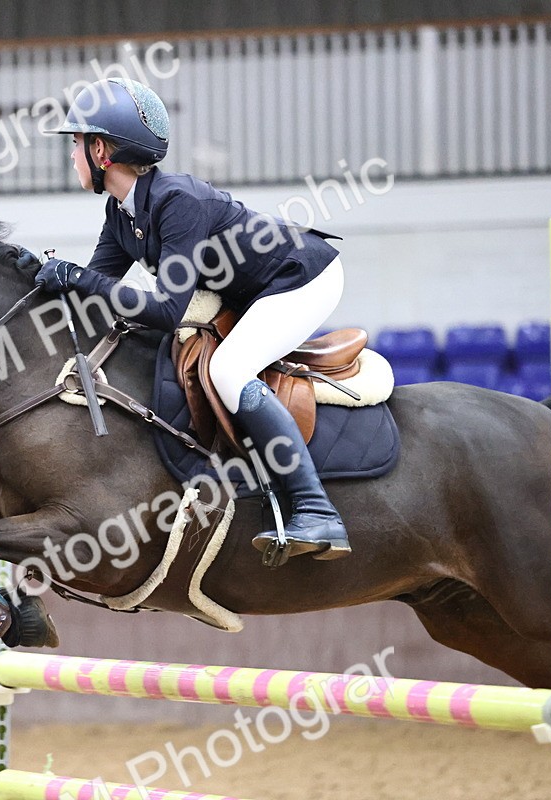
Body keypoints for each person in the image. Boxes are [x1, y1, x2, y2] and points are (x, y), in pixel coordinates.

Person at [36, 77, 349, 561]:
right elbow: (95, 296)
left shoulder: (177, 201)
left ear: (101, 151)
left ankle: (316, 509)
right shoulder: (120, 215)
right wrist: (34, 279)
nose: (70, 156)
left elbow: (164, 311)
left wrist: (74, 275)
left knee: (228, 370)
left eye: (75, 144)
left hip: (301, 276)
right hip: (253, 290)